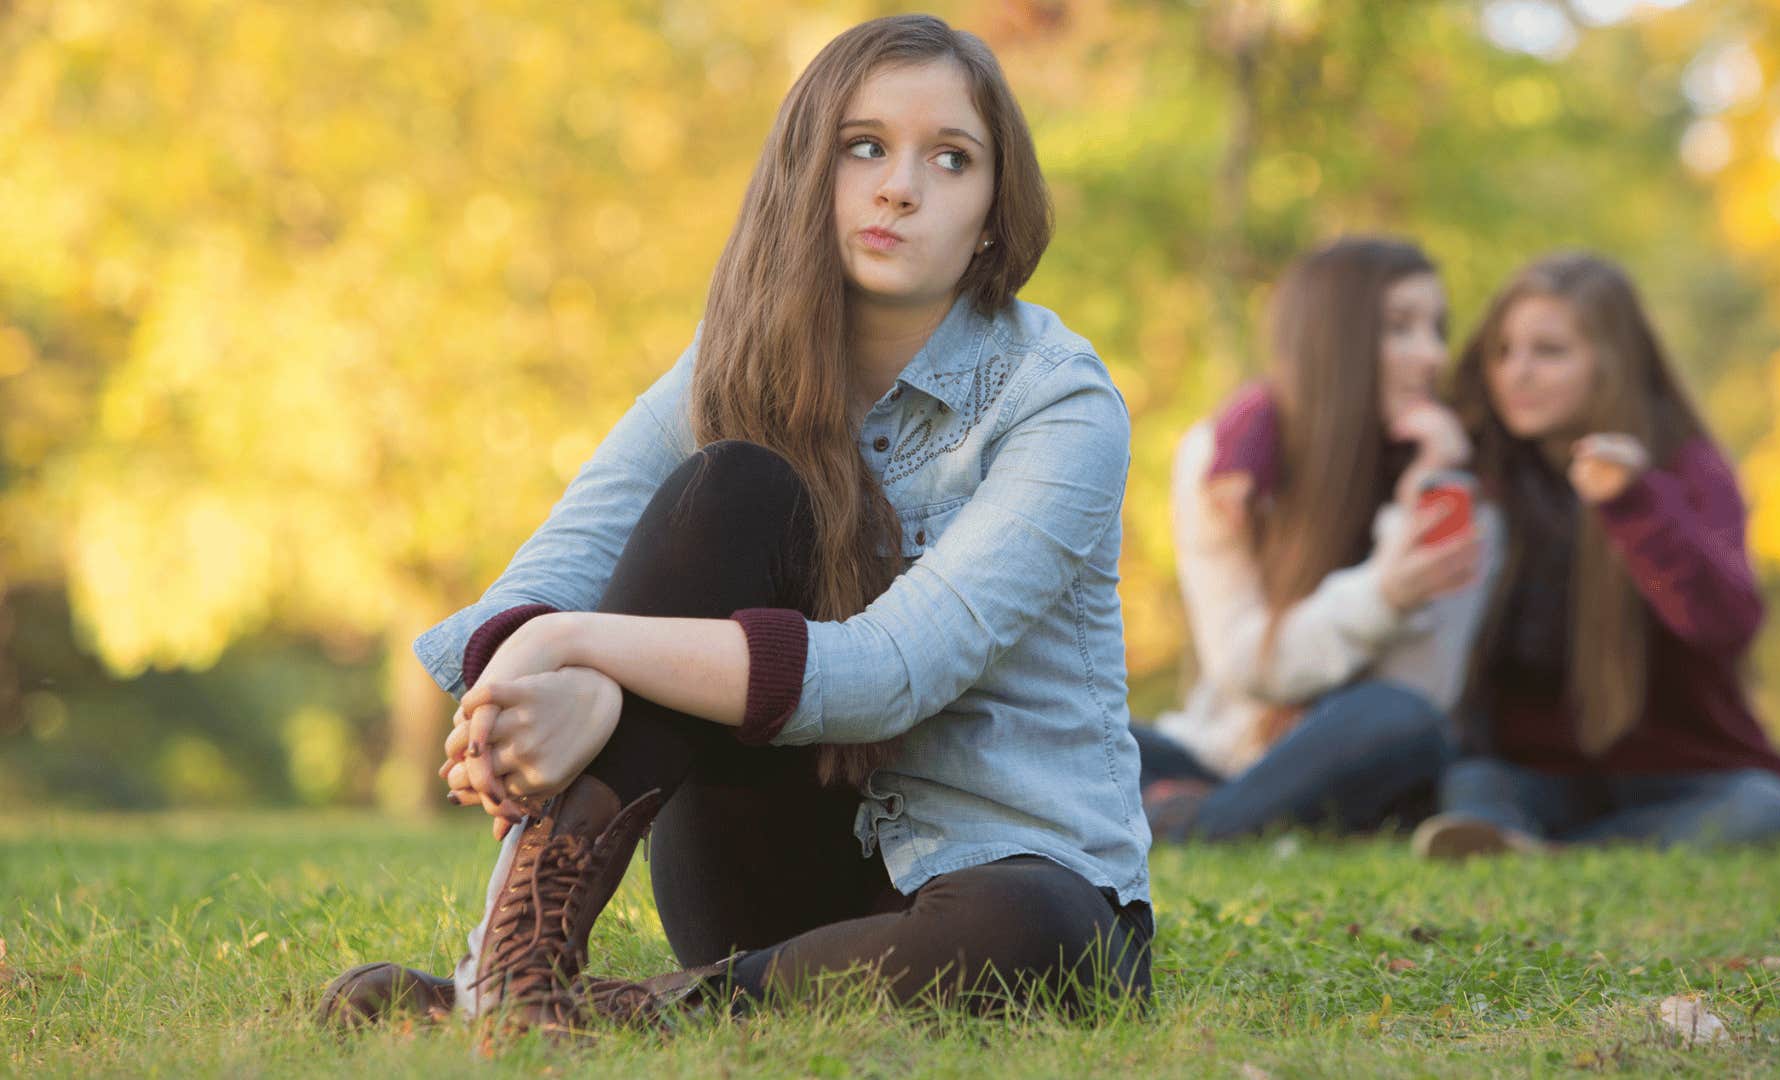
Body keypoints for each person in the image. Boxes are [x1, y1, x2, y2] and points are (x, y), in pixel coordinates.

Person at [316, 14, 1152, 1035]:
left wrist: (579, 648)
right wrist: (525, 689)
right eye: (865, 147)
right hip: (763, 866)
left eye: (952, 158)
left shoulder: (1058, 404)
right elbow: (557, 565)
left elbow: (899, 671)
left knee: (1042, 933)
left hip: (1005, 880)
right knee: (734, 487)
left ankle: (652, 1008)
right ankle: (517, 969)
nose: (900, 186)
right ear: (811, 171)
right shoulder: (735, 360)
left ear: (990, 212)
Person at [1412, 252, 1780, 857]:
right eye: (1503, 351)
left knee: (1764, 811)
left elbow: (1726, 625)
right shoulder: (1479, 469)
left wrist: (1634, 504)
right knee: (1472, 781)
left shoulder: (1686, 469)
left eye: (1549, 352)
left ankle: (1553, 855)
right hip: (1537, 775)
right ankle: (1525, 841)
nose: (1517, 374)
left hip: (1679, 772)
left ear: (1610, 362)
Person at [1130, 237, 1499, 843]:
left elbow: (1419, 696)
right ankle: (1232, 813)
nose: (1433, 355)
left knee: (1398, 718)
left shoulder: (1458, 493)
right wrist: (1380, 596)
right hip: (1223, 757)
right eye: (1401, 329)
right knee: (1063, 726)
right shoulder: (1223, 464)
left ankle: (1197, 827)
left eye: (1437, 329)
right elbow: (1242, 663)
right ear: (1334, 341)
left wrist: (1415, 512)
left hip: (1358, 765)